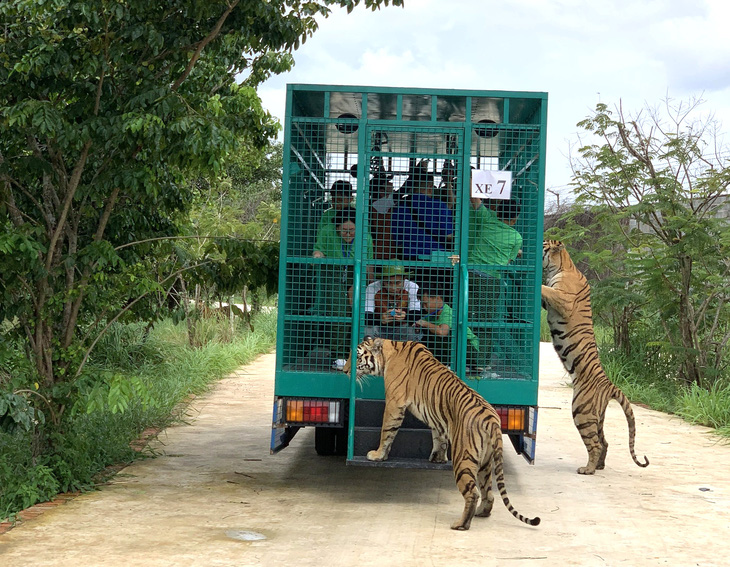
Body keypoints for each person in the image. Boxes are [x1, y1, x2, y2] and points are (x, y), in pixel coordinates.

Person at [467, 196, 522, 372]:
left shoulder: (486, 219)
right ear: (515, 219)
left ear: (497, 211)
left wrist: (471, 174)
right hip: (491, 281)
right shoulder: (516, 237)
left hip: (470, 275)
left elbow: (474, 198)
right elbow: (508, 261)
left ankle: (462, 358)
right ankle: (481, 363)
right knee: (486, 322)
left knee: (465, 317)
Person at [312, 207, 373, 361]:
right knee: (339, 315)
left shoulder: (365, 237)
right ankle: (338, 355)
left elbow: (368, 265)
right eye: (344, 230)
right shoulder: (327, 231)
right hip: (334, 272)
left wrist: (362, 284)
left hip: (356, 272)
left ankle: (356, 354)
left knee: (356, 313)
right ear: (337, 227)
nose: (348, 234)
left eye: (352, 230)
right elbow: (318, 251)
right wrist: (317, 257)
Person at [390, 164, 454, 260]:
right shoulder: (438, 206)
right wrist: (447, 182)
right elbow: (448, 235)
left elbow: (397, 239)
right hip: (435, 257)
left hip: (408, 257)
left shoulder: (400, 207)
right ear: (430, 187)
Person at [415, 285, 479, 369]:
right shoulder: (430, 315)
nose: (424, 307)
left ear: (437, 299)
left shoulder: (447, 312)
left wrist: (425, 324)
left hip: (468, 349)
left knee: (439, 334)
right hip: (454, 350)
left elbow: (442, 332)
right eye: (422, 304)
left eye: (426, 303)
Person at [363, 265, 421, 341]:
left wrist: (405, 317)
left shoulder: (412, 286)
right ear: (383, 280)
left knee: (413, 330)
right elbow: (366, 316)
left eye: (398, 283)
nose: (393, 287)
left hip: (402, 328)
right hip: (379, 328)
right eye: (388, 283)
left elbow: (416, 314)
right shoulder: (372, 288)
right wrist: (380, 319)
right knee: (367, 330)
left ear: (404, 279)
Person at [368, 170, 399, 259]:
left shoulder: (380, 203)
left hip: (388, 249)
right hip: (383, 252)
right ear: (381, 191)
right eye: (387, 182)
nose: (391, 184)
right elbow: (401, 193)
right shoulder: (379, 203)